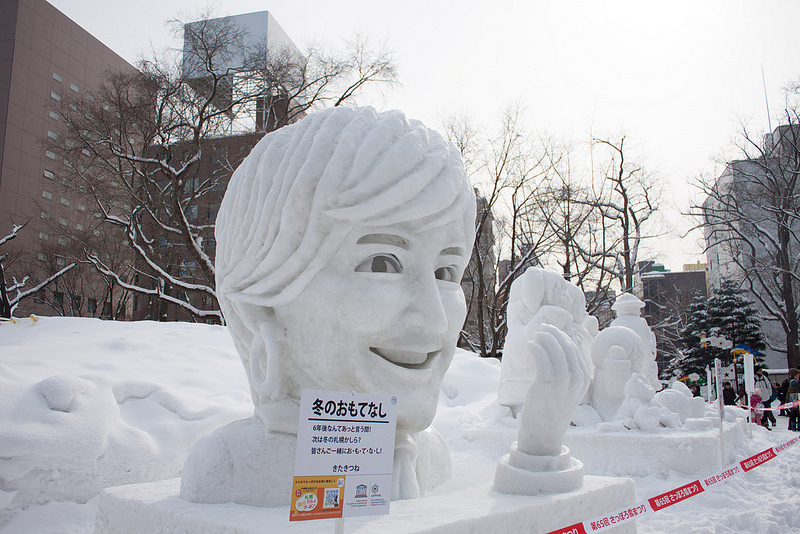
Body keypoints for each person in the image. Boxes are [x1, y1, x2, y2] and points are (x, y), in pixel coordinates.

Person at [180, 107, 588, 507]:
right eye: (381, 264)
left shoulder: (430, 458)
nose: (435, 320)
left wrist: (538, 450)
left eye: (447, 272)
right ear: (261, 304)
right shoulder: (230, 469)